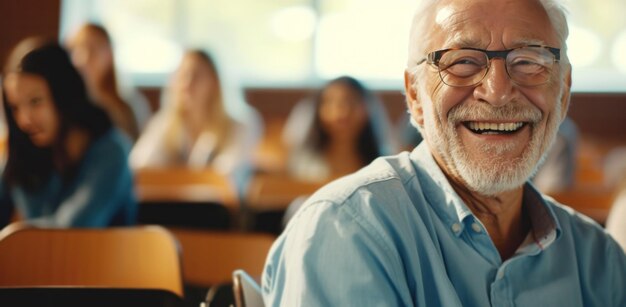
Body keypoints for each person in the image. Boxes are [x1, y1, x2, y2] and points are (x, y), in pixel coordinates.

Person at [262, 0, 626, 306]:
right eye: (462, 62)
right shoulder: (347, 230)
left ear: (563, 93)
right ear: (415, 95)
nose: (498, 92)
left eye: (529, 60)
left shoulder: (599, 261)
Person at [0, 42, 136, 228]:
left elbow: (73, 229)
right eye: (15, 107)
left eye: (36, 102)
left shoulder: (111, 152)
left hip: (101, 257)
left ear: (64, 95)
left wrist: (18, 235)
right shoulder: (23, 149)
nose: (24, 119)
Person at [130, 50, 261, 195]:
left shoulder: (241, 124)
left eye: (196, 75)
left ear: (215, 82)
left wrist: (174, 179)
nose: (187, 83)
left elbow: (225, 178)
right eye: (182, 76)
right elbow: (140, 168)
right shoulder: (164, 123)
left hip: (215, 212)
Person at [282, 76, 395, 182]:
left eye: (351, 101)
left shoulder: (381, 167)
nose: (342, 111)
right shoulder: (303, 166)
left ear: (367, 109)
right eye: (330, 102)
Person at [66, 23, 152, 141]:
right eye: (79, 48)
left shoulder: (130, 104)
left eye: (93, 48)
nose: (85, 56)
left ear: (109, 54)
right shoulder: (66, 103)